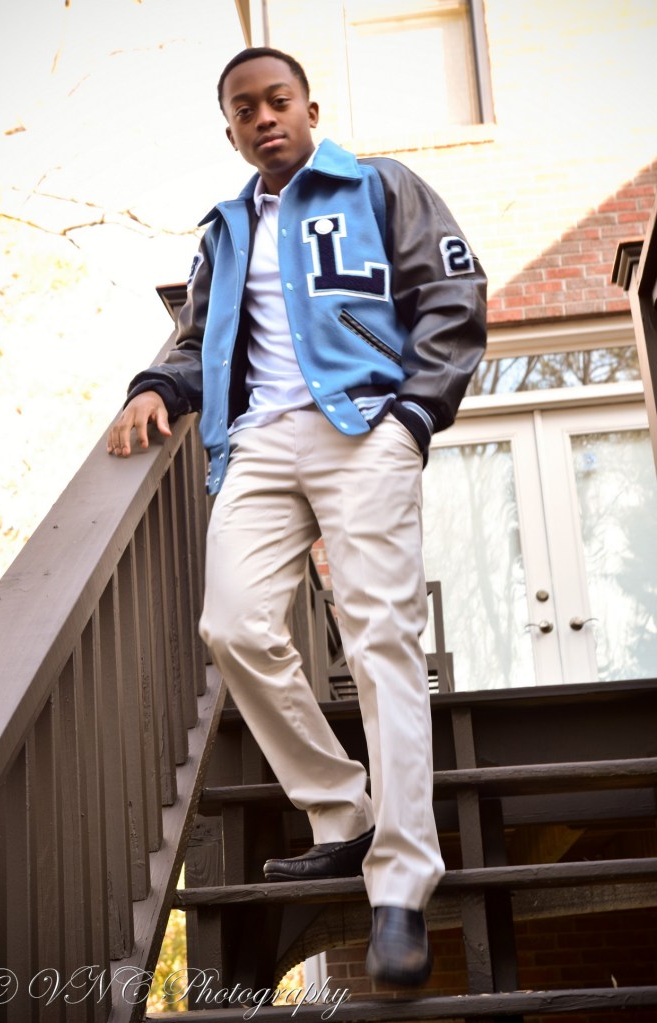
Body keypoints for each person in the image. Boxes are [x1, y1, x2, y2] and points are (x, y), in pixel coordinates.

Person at [108, 46, 487, 987]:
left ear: (309, 108)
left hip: (364, 428)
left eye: (277, 100)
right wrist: (155, 385)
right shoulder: (226, 230)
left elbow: (452, 294)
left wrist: (413, 415)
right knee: (232, 623)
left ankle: (400, 887)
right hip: (259, 443)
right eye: (245, 109)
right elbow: (199, 340)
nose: (264, 117)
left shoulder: (380, 187)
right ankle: (343, 812)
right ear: (231, 130)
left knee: (381, 640)